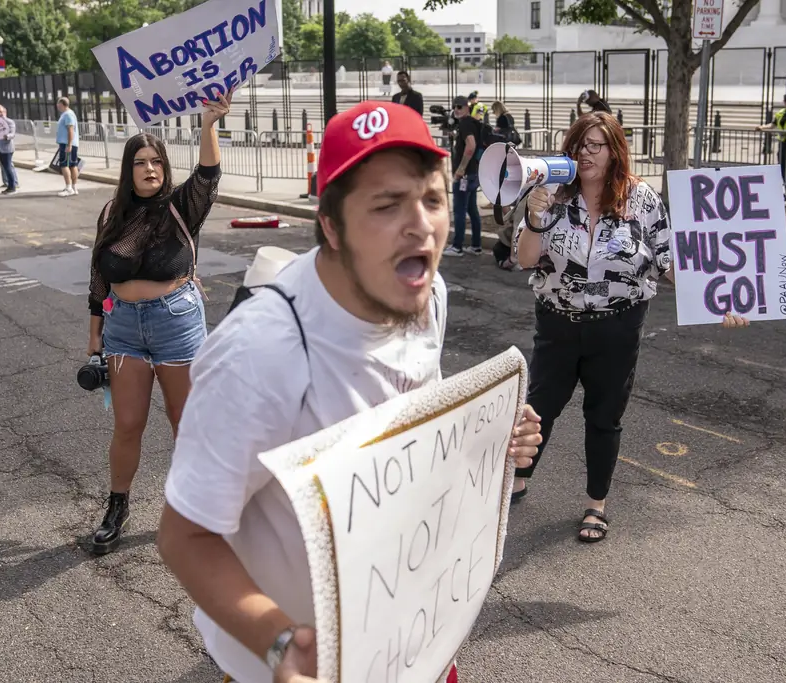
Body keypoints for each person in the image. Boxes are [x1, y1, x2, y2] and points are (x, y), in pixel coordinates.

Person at [156, 100, 543, 683]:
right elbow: (184, 535)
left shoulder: (427, 292)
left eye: (432, 199)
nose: (421, 225)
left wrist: (489, 438)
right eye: (387, 205)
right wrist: (280, 642)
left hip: (411, 646)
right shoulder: (258, 355)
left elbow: (417, 421)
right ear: (331, 226)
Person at [512, 112, 748, 542]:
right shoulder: (550, 194)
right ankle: (518, 480)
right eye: (579, 144)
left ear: (614, 150)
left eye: (595, 145)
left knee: (604, 417)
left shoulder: (640, 198)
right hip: (558, 325)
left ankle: (595, 506)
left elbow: (668, 257)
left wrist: (717, 299)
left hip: (616, 327)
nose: (584, 153)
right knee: (541, 405)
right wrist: (533, 215)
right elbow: (526, 259)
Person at [85, 92, 231, 555]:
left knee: (185, 422)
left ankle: (200, 510)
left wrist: (208, 125)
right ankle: (117, 506)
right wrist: (94, 338)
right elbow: (98, 279)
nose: (150, 169)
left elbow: (208, 175)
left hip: (176, 323)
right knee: (127, 423)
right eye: (140, 163)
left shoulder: (182, 207)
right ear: (128, 171)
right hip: (124, 327)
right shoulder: (111, 214)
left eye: (157, 162)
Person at [443, 95, 483, 257]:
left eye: (460, 107)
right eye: (454, 107)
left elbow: (471, 145)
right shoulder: (473, 123)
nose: (456, 110)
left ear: (467, 107)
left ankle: (457, 246)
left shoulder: (466, 123)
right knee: (473, 210)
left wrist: (460, 169)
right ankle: (476, 246)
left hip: (465, 175)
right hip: (473, 173)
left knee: (459, 210)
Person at [55, 97, 80, 197]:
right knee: (72, 165)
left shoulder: (68, 115)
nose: (57, 106)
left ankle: (69, 187)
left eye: (58, 104)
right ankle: (73, 187)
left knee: (65, 164)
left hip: (67, 143)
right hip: (69, 143)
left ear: (62, 104)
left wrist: (69, 144)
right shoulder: (68, 114)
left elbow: (70, 130)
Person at [0, 105, 19, 195]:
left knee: (8, 167)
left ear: (5, 112)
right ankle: (8, 184)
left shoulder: (9, 122)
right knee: (4, 167)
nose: (0, 114)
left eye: (1, 112)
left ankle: (13, 186)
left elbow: (12, 134)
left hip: (7, 148)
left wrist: (6, 136)